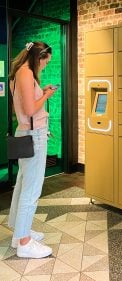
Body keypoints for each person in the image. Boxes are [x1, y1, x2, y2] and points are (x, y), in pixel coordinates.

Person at [7, 41, 57, 258]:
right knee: (32, 189)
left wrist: (40, 93)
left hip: (26, 133)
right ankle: (25, 243)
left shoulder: (18, 73)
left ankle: (20, 233)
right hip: (33, 136)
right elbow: (29, 109)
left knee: (22, 185)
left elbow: (24, 106)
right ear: (40, 57)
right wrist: (46, 96)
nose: (45, 66)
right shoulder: (26, 74)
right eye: (46, 61)